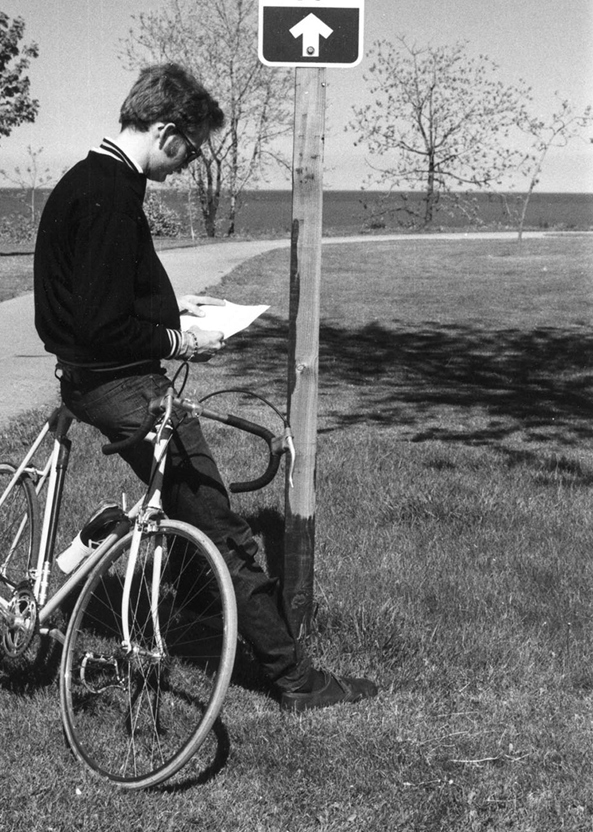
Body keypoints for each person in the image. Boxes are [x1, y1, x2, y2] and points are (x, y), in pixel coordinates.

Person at [34, 62, 377, 711]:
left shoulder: (86, 181)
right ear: (166, 130)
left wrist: (166, 306)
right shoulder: (112, 195)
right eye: (191, 147)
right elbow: (102, 324)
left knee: (191, 509)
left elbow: (81, 304)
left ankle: (190, 606)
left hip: (84, 380)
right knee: (226, 534)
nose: (190, 161)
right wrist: (175, 340)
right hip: (126, 388)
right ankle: (296, 682)